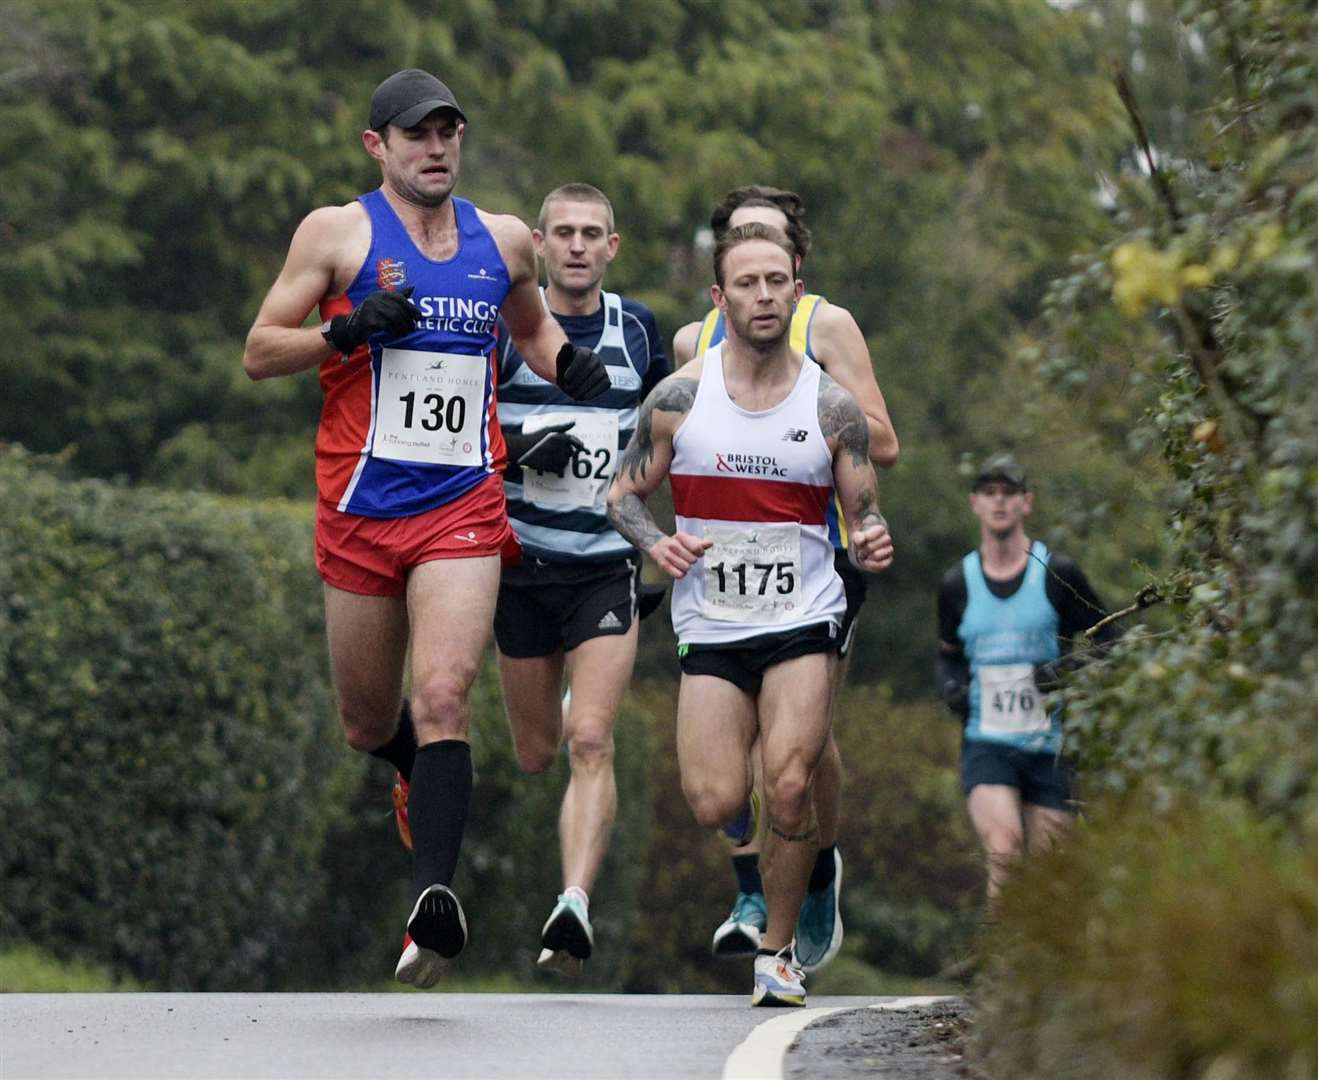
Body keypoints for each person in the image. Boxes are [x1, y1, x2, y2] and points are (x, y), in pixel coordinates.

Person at [241, 68, 611, 990]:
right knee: (369, 721)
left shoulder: (504, 239)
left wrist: (569, 367)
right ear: (379, 146)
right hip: (361, 508)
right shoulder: (337, 233)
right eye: (417, 134)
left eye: (448, 132)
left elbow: (527, 327)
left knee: (444, 693)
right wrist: (346, 331)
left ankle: (431, 906)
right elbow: (257, 352)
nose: (436, 148)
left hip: (463, 504)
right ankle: (412, 774)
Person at [607, 222, 894, 1007]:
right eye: (746, 283)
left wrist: (870, 541)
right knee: (716, 800)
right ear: (719, 297)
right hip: (713, 624)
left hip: (805, 617)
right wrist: (655, 541)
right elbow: (621, 493)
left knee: (792, 781)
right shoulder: (680, 397)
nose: (762, 296)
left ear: (796, 290)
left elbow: (863, 516)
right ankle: (792, 869)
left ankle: (777, 952)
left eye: (776, 282)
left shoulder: (832, 408)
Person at [674, 186, 899, 972]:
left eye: (768, 244)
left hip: (822, 553)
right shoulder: (693, 344)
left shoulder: (824, 324)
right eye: (740, 244)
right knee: (729, 775)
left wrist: (807, 411)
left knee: (794, 757)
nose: (757, 267)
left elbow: (884, 441)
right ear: (722, 272)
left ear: (794, 261)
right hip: (723, 582)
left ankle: (809, 865)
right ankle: (762, 871)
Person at [492, 183, 668, 974]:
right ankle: (562, 702)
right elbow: (467, 429)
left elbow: (665, 435)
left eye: (590, 233)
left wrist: (657, 537)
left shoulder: (636, 329)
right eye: (561, 232)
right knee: (536, 752)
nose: (575, 246)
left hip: (603, 567)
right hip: (520, 565)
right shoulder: (504, 324)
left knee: (591, 740)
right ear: (537, 241)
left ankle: (574, 905)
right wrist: (529, 444)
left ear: (611, 247)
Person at [936, 455, 1121, 901]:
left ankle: (1045, 969)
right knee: (1005, 853)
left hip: (1051, 745)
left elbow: (1112, 639)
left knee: (1051, 876)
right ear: (975, 503)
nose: (999, 503)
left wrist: (1067, 672)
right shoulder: (956, 583)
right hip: (987, 742)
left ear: (1026, 503)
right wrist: (950, 687)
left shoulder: (1058, 573)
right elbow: (947, 655)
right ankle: (1002, 969)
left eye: (1009, 494)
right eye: (990, 494)